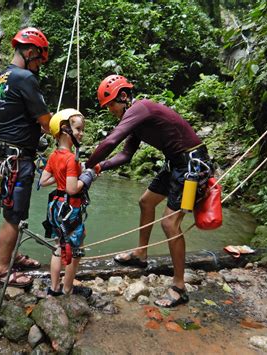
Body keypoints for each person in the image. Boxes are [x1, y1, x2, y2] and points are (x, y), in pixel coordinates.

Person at [85, 74, 213, 307]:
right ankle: (141, 254)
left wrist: (82, 165)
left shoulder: (140, 108)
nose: (111, 110)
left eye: (111, 104)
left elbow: (111, 142)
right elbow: (125, 155)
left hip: (192, 165)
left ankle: (179, 286)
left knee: (169, 223)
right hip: (175, 162)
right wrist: (98, 166)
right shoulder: (137, 122)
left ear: (123, 96)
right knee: (146, 202)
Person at [0, 27, 52, 288]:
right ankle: (2, 270)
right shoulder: (25, 78)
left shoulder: (3, 77)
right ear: (30, 52)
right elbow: (46, 121)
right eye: (38, 60)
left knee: (13, 213)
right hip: (15, 160)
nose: (39, 67)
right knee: (13, 218)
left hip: (2, 156)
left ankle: (12, 256)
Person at [39, 109, 96, 298]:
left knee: (59, 246)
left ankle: (54, 288)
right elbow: (73, 189)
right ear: (65, 130)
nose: (81, 133)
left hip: (55, 207)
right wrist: (88, 176)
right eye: (78, 129)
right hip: (70, 208)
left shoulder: (54, 156)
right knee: (75, 250)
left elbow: (43, 181)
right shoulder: (71, 158)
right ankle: (68, 288)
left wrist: (61, 176)